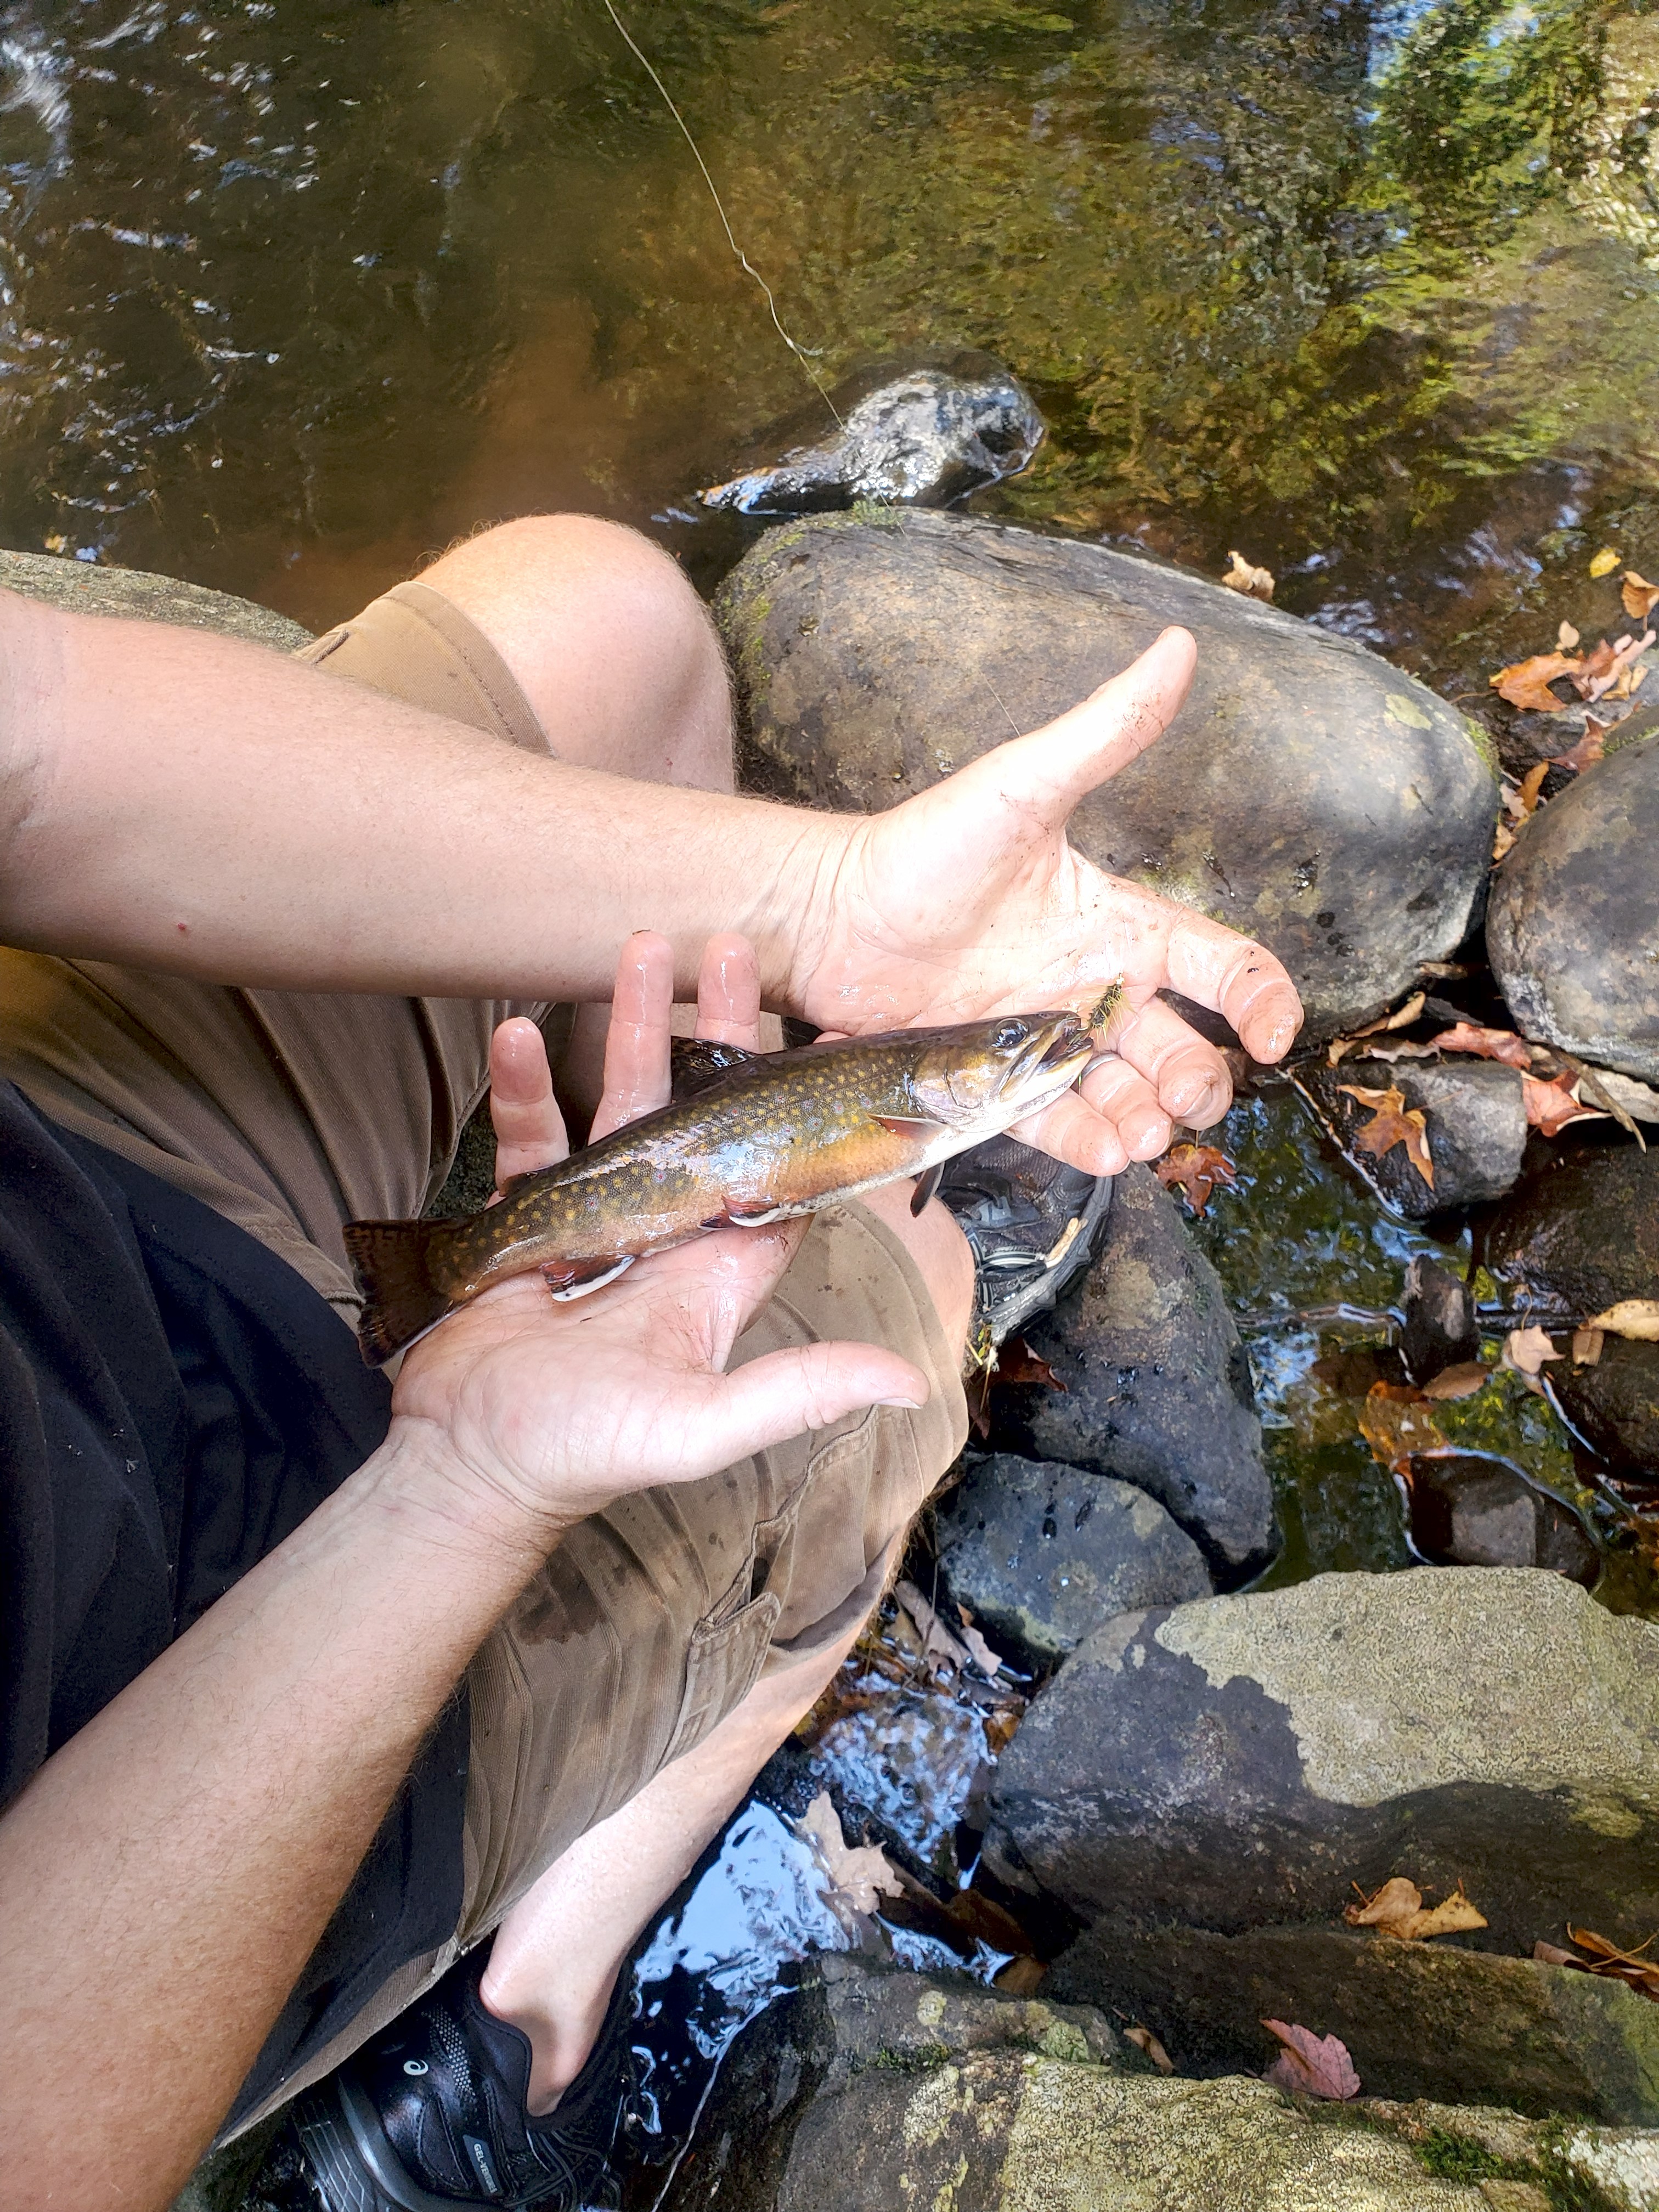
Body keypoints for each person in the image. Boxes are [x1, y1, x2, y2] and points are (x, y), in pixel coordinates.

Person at [0, 515, 1301, 2212]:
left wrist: (828, 897)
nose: (1035, 1056)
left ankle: (597, 1177)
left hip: (72, 1210)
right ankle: (519, 2019)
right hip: (171, 1773)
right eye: (1011, 1056)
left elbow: (29, 743)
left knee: (606, 617)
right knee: (906, 1303)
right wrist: (461, 1485)